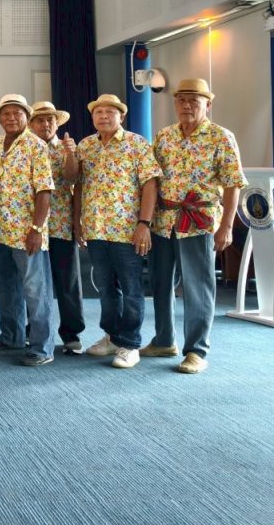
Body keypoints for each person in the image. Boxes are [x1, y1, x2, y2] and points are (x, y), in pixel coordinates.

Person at [142, 78, 246, 374]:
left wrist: (227, 226)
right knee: (161, 283)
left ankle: (196, 350)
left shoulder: (221, 137)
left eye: (194, 100)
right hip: (164, 221)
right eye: (181, 100)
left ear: (207, 105)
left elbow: (233, 184)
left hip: (199, 222)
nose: (186, 105)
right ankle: (164, 340)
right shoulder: (164, 136)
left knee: (197, 286)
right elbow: (152, 179)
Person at [74, 95, 161, 369]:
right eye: (98, 112)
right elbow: (79, 185)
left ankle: (130, 344)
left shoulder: (136, 143)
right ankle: (112, 337)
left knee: (131, 288)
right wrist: (78, 221)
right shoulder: (85, 146)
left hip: (127, 230)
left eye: (109, 112)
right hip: (96, 229)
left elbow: (150, 184)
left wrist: (144, 224)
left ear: (121, 116)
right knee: (106, 289)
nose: (103, 116)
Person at [0, 94, 57, 366]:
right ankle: (12, 336)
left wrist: (37, 228)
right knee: (7, 287)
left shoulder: (36, 145)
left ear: (27, 117)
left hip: (27, 232)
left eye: (17, 113)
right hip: (0, 230)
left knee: (36, 290)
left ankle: (42, 347)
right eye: (6, 113)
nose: (11, 118)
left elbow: (44, 190)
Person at [28, 101, 85, 354]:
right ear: (31, 124)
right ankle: (34, 330)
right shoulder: (25, 148)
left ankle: (72, 334)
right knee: (33, 283)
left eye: (50, 119)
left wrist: (71, 154)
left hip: (60, 223)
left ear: (57, 123)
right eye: (40, 120)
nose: (45, 124)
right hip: (30, 226)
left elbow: (72, 178)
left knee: (67, 281)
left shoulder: (66, 147)